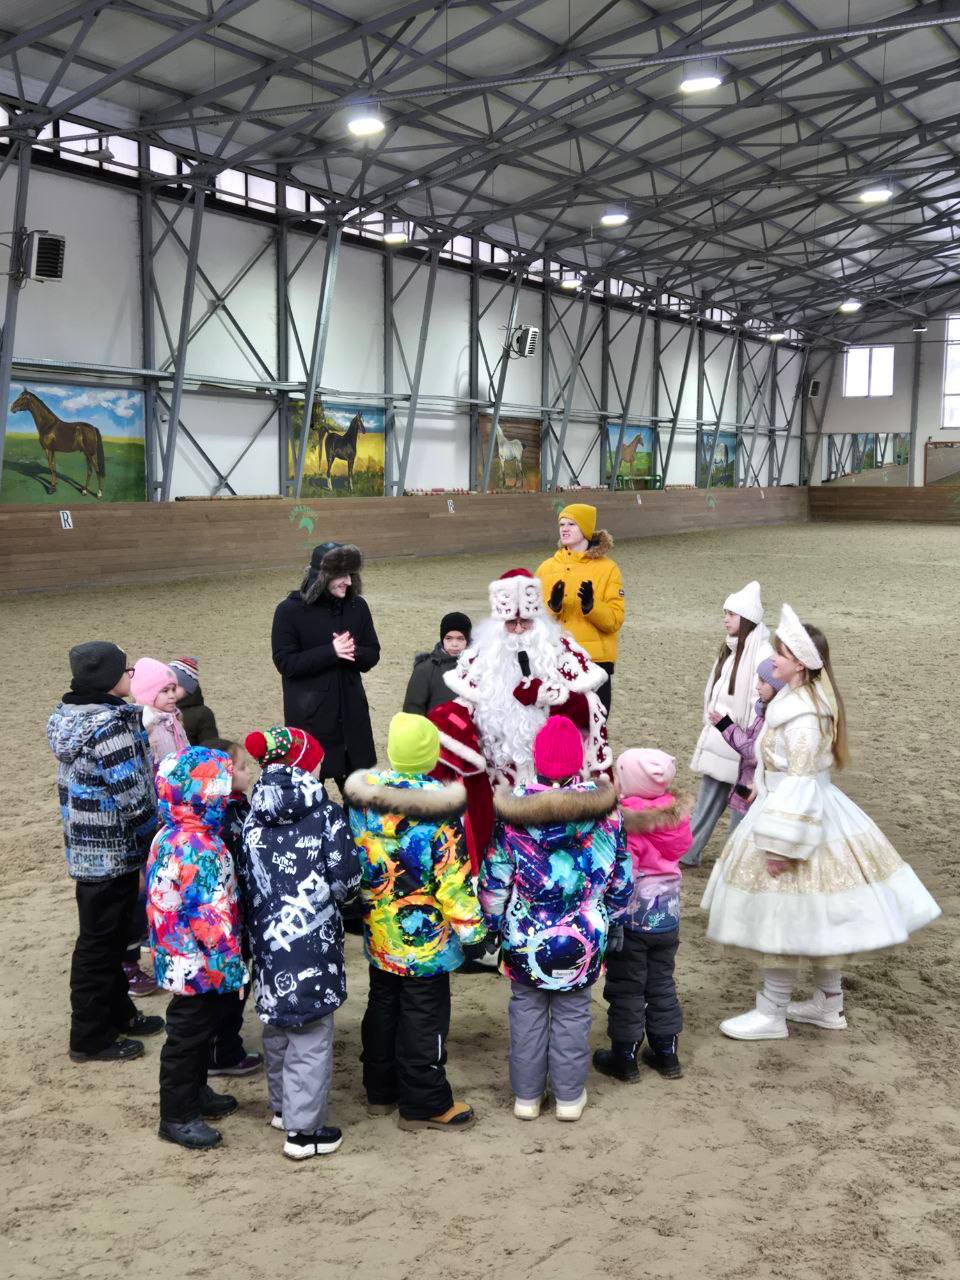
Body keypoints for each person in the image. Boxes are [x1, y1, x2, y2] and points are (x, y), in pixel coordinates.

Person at [701, 605, 941, 1041]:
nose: (773, 659)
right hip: (798, 809)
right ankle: (829, 1003)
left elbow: (802, 780)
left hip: (797, 819)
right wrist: (762, 785)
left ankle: (772, 1011)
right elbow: (786, 768)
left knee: (783, 914)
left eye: (781, 654)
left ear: (800, 664)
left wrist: (782, 844)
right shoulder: (800, 704)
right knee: (818, 915)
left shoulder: (803, 716)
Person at [479, 717, 631, 1123]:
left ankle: (527, 1097)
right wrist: (616, 917)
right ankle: (568, 1096)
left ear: (537, 760)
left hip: (525, 935)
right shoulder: (608, 814)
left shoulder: (514, 814)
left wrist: (491, 925)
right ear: (578, 762)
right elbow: (621, 873)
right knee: (574, 1014)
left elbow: (495, 876)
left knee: (526, 1012)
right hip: (585, 933)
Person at [345, 713, 486, 1132]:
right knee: (424, 1017)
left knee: (383, 1005)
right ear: (431, 756)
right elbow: (452, 878)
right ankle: (424, 1101)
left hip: (382, 931)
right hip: (427, 943)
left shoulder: (364, 801)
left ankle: (380, 1088)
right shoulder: (439, 809)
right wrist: (473, 932)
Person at [241, 726, 361, 1161]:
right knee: (311, 1035)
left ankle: (282, 1108)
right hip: (312, 943)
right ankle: (303, 1133)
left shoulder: (252, 815)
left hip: (268, 942)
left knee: (277, 1026)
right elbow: (346, 880)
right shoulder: (327, 815)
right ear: (306, 765)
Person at [442, 567, 611, 854]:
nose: (519, 630)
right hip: (500, 779)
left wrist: (550, 697)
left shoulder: (561, 651)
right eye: (511, 623)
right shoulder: (483, 659)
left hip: (556, 781)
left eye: (525, 622)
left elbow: (590, 712)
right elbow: (466, 708)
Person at [47, 641, 162, 1063]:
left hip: (87, 850)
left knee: (111, 938)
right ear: (108, 678)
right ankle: (90, 1037)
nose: (131, 675)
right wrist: (155, 837)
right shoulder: (110, 726)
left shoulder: (72, 717)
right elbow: (132, 794)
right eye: (126, 669)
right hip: (112, 850)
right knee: (98, 945)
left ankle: (118, 1013)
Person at [147, 746, 248, 1150]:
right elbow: (210, 919)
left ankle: (196, 1091)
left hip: (178, 953)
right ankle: (177, 1115)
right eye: (220, 788)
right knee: (186, 1037)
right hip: (197, 961)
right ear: (203, 796)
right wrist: (231, 969)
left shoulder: (170, 833)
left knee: (200, 1030)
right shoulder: (199, 848)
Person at [593, 749, 692, 1084]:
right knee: (661, 981)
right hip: (668, 915)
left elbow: (624, 871)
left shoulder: (627, 820)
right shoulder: (675, 817)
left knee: (627, 986)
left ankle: (625, 1057)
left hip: (634, 918)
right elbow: (681, 849)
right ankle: (666, 1053)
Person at [271, 541, 380, 793]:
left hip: (353, 720)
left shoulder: (358, 607)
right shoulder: (288, 611)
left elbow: (372, 653)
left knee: (362, 802)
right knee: (306, 801)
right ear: (321, 576)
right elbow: (285, 663)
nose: (349, 582)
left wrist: (352, 651)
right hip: (310, 722)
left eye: (351, 575)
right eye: (342, 575)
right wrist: (330, 652)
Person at [681, 581, 773, 868]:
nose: (725, 619)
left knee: (740, 808)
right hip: (722, 738)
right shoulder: (732, 650)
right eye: (725, 613)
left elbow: (759, 702)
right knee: (709, 799)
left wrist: (741, 736)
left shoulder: (760, 654)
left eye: (731, 614)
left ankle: (734, 860)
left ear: (746, 619)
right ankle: (689, 852)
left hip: (740, 742)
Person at [206, 738, 262, 1080]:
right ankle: (220, 1052)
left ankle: (222, 1043)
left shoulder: (238, 805)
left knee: (238, 980)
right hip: (230, 919)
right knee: (231, 985)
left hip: (241, 915)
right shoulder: (222, 820)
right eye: (241, 768)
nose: (248, 772)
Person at [535, 503, 625, 715]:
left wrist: (591, 607)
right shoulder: (546, 568)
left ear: (585, 528)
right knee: (556, 727)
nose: (564, 529)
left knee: (594, 726)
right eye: (562, 524)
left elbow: (614, 621)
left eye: (571, 524)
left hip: (595, 662)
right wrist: (553, 607)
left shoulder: (608, 569)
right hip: (556, 660)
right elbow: (533, 621)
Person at [710, 657, 785, 834]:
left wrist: (726, 726)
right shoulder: (763, 712)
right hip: (748, 787)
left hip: (753, 791)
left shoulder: (772, 718)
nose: (757, 686)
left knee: (738, 837)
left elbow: (753, 752)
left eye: (763, 682)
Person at [403, 612, 472, 716]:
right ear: (442, 638)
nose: (454, 644)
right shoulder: (425, 669)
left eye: (460, 638)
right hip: (435, 726)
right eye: (449, 638)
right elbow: (413, 711)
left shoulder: (480, 668)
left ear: (468, 639)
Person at [131, 657, 190, 769]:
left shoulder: (174, 720)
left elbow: (185, 748)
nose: (172, 696)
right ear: (147, 693)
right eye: (165, 691)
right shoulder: (142, 725)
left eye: (173, 690)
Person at [169, 657, 220, 747]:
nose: (169, 691)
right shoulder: (162, 710)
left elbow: (211, 747)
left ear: (188, 688)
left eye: (174, 687)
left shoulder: (202, 714)